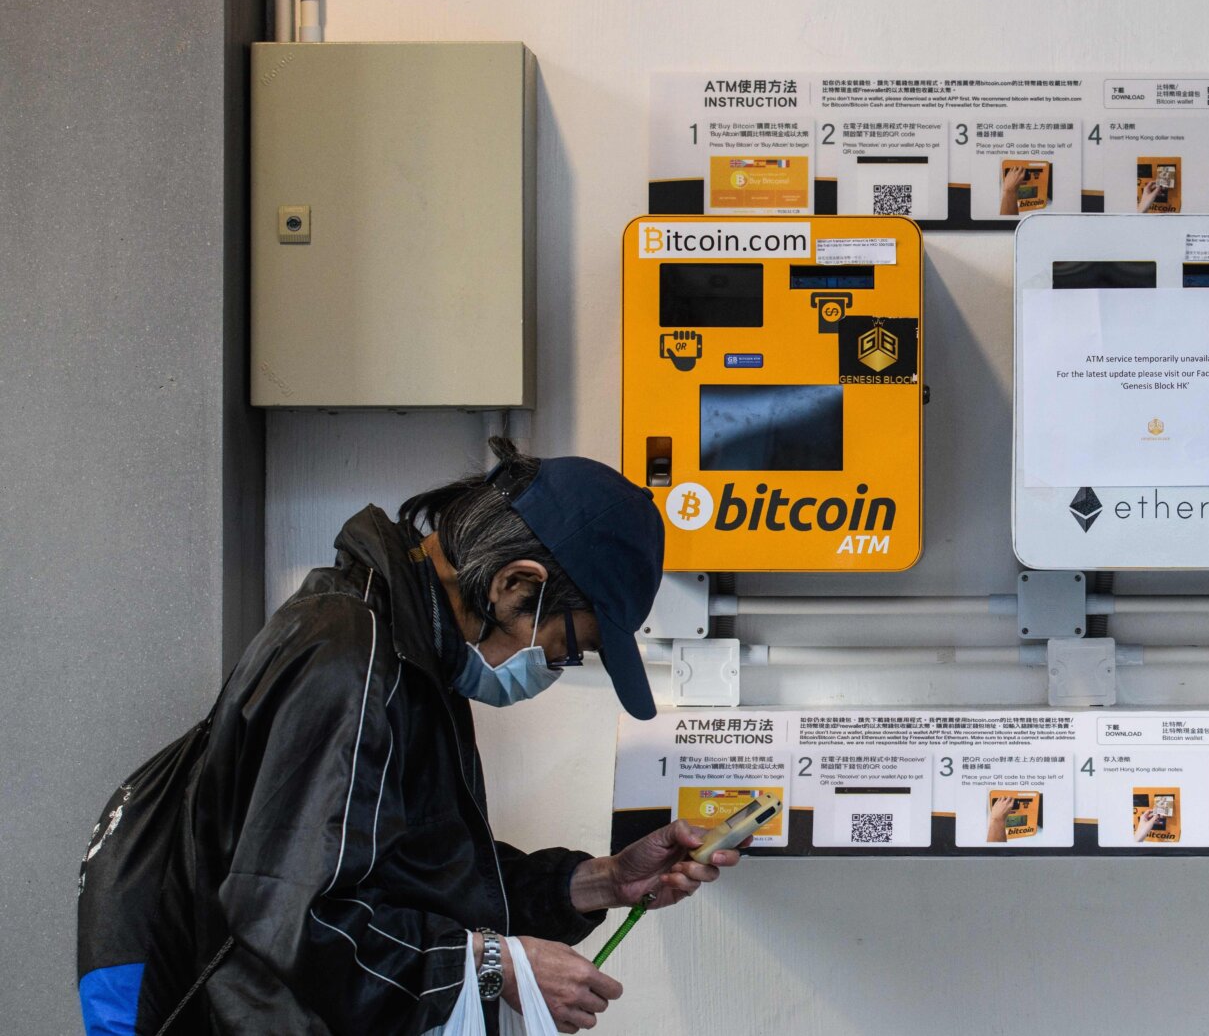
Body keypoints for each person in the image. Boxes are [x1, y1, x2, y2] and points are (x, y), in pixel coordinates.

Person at [78, 439, 738, 1034]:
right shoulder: (348, 658)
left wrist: (598, 882)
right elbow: (292, 914)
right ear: (515, 586)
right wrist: (497, 966)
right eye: (569, 648)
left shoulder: (408, 657)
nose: (556, 671)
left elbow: (421, 870)